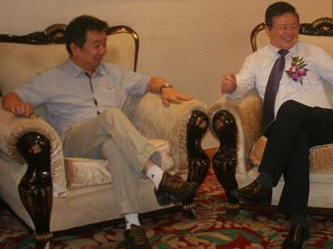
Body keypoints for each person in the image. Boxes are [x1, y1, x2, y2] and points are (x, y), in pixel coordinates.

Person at [1, 15, 200, 249]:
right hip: (75, 141)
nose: (102, 50)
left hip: (109, 138)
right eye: (96, 45)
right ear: (75, 48)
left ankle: (132, 225)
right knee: (111, 115)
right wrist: (18, 106)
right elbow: (10, 97)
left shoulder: (113, 73)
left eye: (104, 43)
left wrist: (165, 88)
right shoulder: (52, 78)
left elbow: (150, 82)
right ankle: (158, 175)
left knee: (114, 146)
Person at [221, 1, 333, 248]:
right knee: (297, 141)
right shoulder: (256, 60)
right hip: (285, 132)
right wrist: (231, 87)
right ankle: (299, 224)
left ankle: (264, 181)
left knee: (290, 107)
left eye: (294, 26)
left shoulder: (312, 52)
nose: (290, 32)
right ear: (268, 29)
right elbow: (241, 85)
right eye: (283, 27)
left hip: (322, 124)